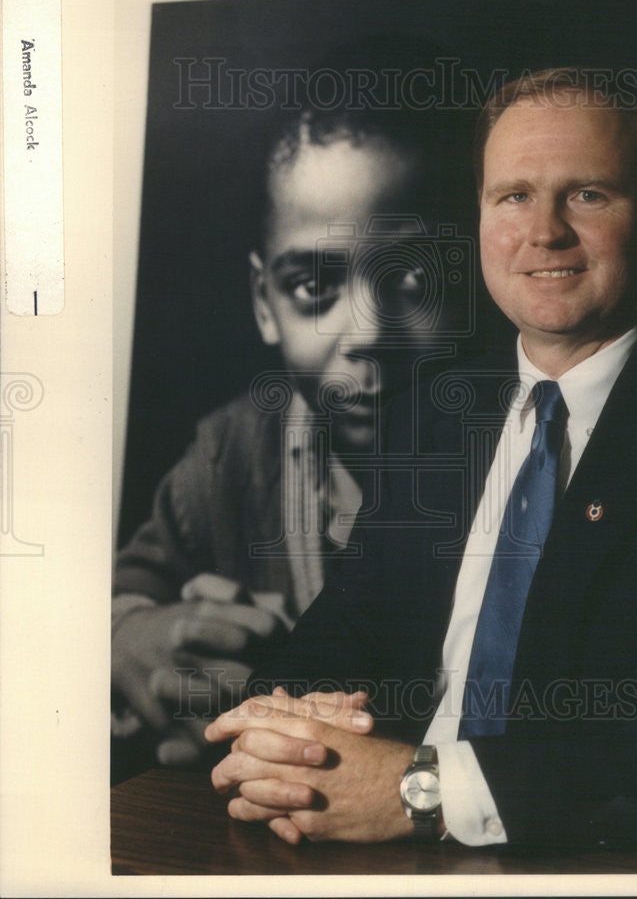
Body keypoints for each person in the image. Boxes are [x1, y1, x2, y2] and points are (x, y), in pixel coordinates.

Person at [204, 67, 637, 860]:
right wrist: (281, 736)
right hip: (376, 857)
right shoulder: (435, 413)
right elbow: (340, 637)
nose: (544, 232)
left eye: (588, 194)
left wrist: (421, 790)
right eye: (513, 197)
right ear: (479, 218)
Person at [111, 90, 479, 776]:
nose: (369, 334)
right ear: (264, 304)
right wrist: (132, 634)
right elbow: (107, 597)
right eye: (314, 287)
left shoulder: (533, 456)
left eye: (411, 277)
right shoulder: (232, 456)